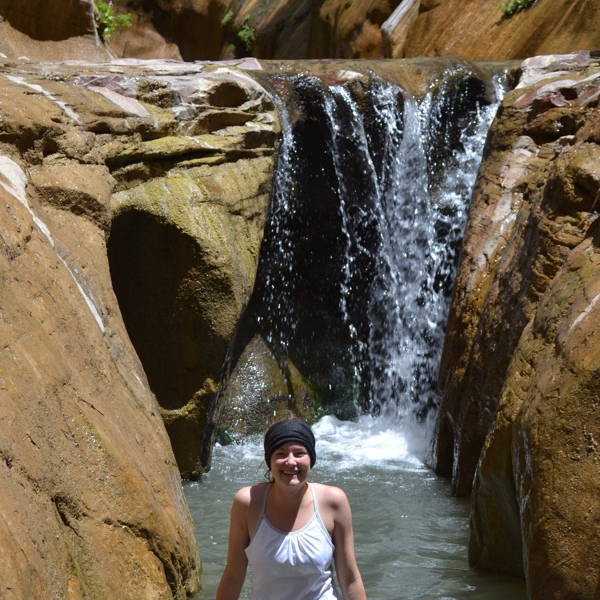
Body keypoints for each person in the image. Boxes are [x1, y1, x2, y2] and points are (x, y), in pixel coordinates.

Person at [216, 417, 367, 600]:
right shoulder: (248, 502)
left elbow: (350, 579)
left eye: (299, 453)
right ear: (269, 461)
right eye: (281, 454)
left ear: (311, 458)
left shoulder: (334, 501)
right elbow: (233, 578)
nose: (290, 462)